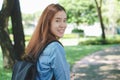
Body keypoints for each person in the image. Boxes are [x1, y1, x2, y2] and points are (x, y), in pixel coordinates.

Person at [25, 3, 70, 80]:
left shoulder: (37, 44)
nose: (63, 25)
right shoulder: (55, 47)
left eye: (64, 20)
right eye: (57, 20)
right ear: (48, 23)